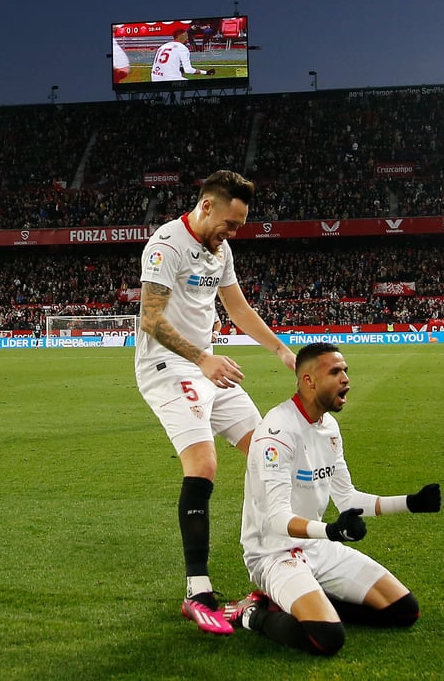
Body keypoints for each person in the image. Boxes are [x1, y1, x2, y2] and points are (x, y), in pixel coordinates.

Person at [134, 169, 296, 634]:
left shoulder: (220, 250)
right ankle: (197, 591)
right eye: (231, 222)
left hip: (209, 367)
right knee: (203, 464)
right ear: (207, 206)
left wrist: (281, 350)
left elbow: (239, 308)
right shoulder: (165, 246)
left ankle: (271, 572)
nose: (233, 232)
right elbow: (151, 320)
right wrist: (203, 358)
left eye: (240, 226)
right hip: (168, 368)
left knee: (271, 451)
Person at [227, 342, 440, 655]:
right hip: (273, 554)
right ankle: (250, 614)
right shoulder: (277, 432)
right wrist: (331, 531)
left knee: (405, 610)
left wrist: (410, 503)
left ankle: (309, 601)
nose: (346, 379)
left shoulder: (329, 427)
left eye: (346, 371)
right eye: (335, 372)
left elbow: (348, 498)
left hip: (317, 546)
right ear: (308, 381)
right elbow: (276, 519)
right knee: (326, 639)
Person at [150, 28, 214, 82]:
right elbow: (188, 70)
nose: (187, 39)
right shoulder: (182, 48)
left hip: (155, 78)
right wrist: (206, 72)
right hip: (170, 79)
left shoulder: (163, 46)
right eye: (186, 36)